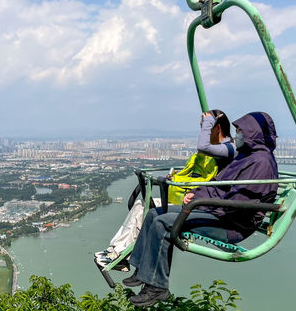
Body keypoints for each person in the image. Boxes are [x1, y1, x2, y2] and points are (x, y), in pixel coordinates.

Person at [122, 112, 279, 308]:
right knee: (155, 213)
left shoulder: (261, 163)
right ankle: (142, 270)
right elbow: (216, 184)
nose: (237, 135)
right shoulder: (246, 157)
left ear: (252, 134)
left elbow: (238, 202)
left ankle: (157, 287)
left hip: (231, 223)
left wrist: (200, 202)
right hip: (218, 211)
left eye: (240, 131)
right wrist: (195, 194)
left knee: (163, 224)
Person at [95, 109, 235, 268]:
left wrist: (209, 120)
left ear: (217, 127)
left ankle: (121, 254)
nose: (203, 131)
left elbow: (202, 147)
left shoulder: (229, 149)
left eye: (205, 128)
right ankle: (117, 250)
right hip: (188, 198)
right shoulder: (214, 153)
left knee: (149, 212)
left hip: (197, 204)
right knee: (141, 206)